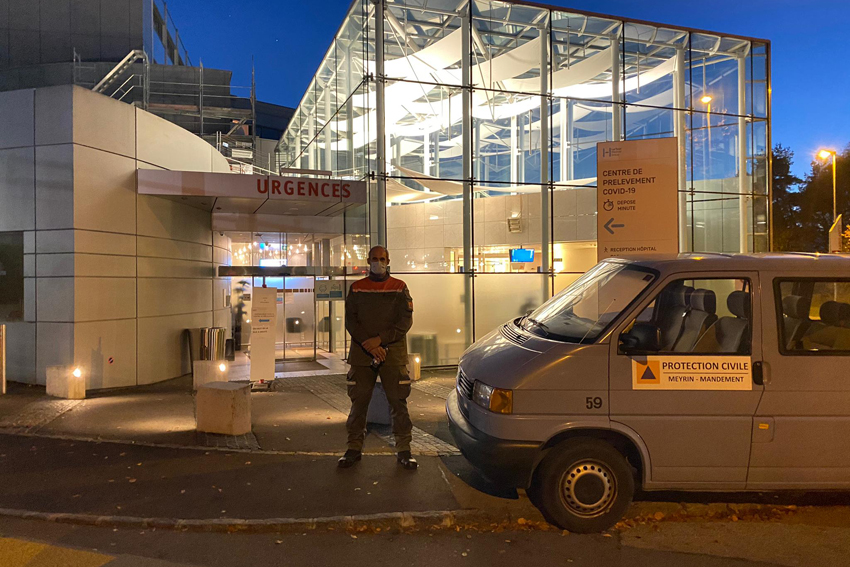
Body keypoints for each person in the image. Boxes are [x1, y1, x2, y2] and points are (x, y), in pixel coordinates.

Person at [338, 245, 417, 470]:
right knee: (358, 402)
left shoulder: (400, 287)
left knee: (398, 402)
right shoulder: (357, 288)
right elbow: (351, 321)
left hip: (392, 354)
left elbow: (405, 321)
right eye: (374, 258)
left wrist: (379, 341)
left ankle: (404, 450)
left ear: (388, 260)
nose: (378, 262)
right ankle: (353, 447)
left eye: (382, 259)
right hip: (363, 356)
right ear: (368, 260)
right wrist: (370, 344)